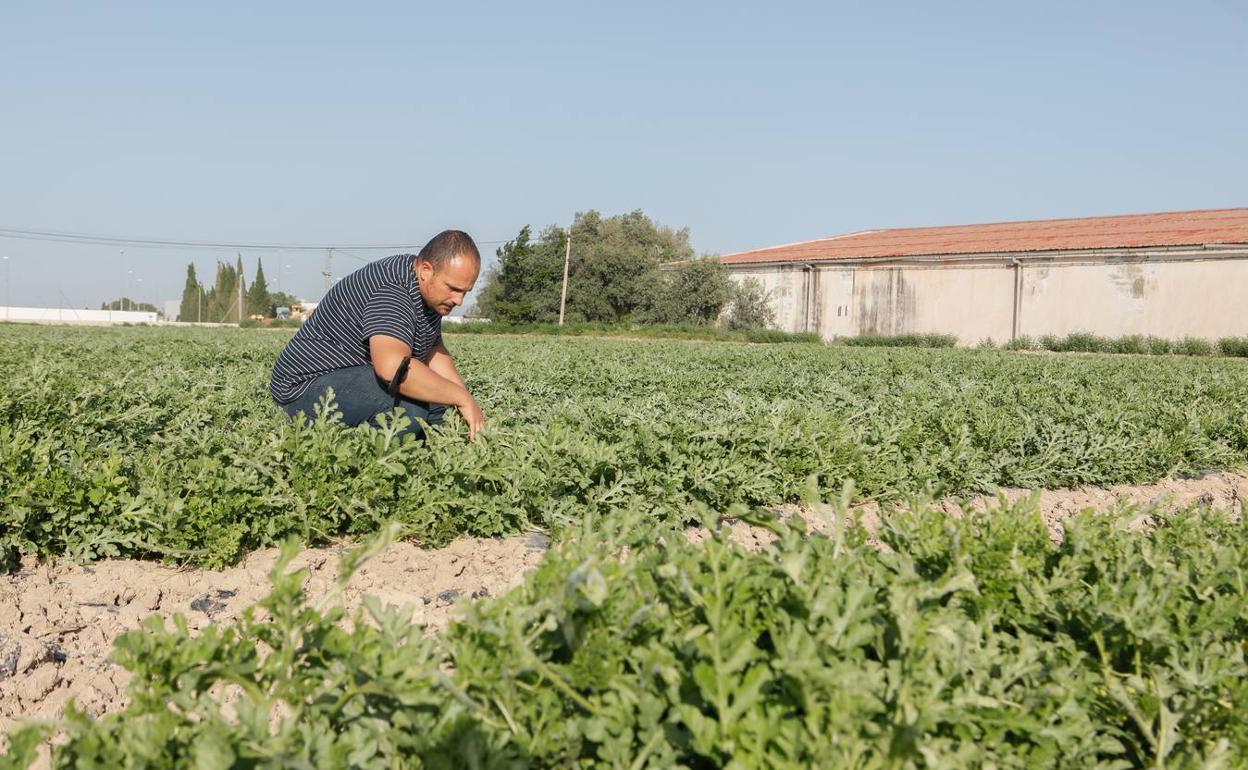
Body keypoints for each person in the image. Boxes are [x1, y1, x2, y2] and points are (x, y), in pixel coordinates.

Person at [269, 230, 485, 439]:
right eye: (453, 289)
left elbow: (433, 350)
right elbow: (394, 369)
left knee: (440, 404)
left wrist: (462, 399)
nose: (459, 301)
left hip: (349, 375)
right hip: (302, 387)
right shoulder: (392, 290)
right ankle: (358, 468)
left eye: (465, 292)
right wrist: (461, 397)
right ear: (426, 270)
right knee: (408, 412)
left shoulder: (426, 288)